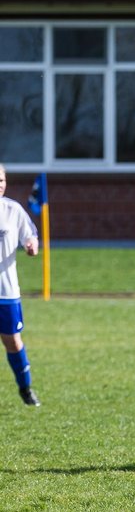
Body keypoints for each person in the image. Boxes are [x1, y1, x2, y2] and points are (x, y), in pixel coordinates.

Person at [0, 165, 40, 407]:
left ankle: (25, 388)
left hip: (6, 292)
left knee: (13, 341)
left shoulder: (13, 210)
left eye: (1, 179)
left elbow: (30, 236)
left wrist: (31, 245)